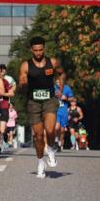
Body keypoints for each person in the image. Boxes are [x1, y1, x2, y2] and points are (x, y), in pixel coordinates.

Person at [18, 37, 65, 178]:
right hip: (34, 102)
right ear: (31, 50)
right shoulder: (26, 65)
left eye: (40, 49)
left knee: (50, 130)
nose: (38, 53)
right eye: (35, 50)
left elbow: (61, 74)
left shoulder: (53, 62)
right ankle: (40, 163)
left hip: (50, 100)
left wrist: (60, 89)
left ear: (44, 48)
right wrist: (22, 83)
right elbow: (21, 83)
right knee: (38, 136)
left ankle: (50, 150)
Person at [55, 83, 74, 150]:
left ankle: (60, 144)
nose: (58, 82)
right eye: (57, 80)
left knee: (62, 130)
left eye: (59, 81)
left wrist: (66, 98)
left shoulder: (67, 88)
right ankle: (56, 141)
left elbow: (72, 98)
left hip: (63, 111)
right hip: (55, 111)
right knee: (56, 127)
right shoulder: (53, 87)